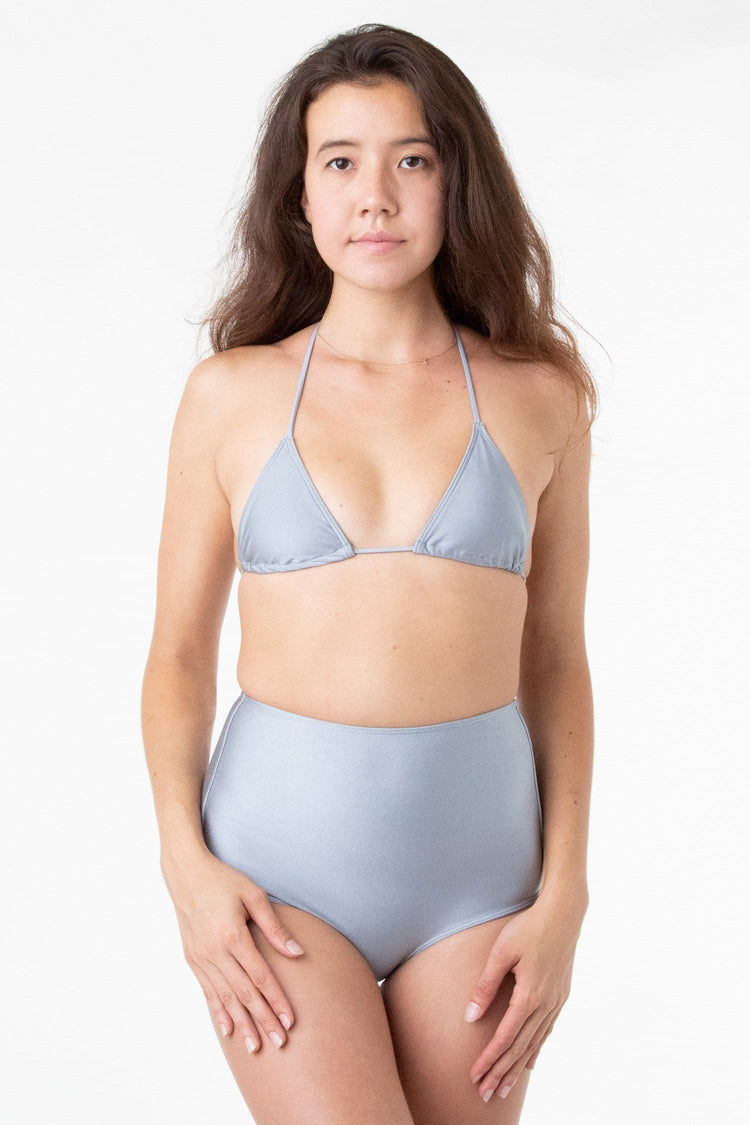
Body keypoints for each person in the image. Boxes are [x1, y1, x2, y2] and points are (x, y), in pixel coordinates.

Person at [142, 22, 597, 1125]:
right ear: (300, 196)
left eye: (413, 159)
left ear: (456, 181)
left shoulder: (542, 396)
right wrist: (186, 869)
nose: (375, 197)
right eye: (340, 161)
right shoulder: (233, 395)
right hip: (278, 882)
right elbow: (178, 655)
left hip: (482, 883)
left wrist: (565, 895)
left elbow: (555, 658)